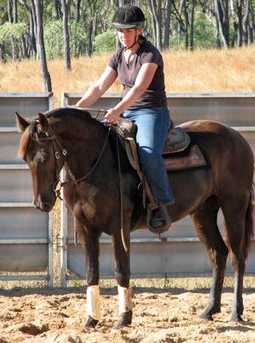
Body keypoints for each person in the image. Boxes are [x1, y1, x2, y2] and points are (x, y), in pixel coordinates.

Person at [75, 5, 174, 232]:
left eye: (127, 31)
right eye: (119, 31)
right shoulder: (118, 55)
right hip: (126, 112)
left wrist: (117, 110)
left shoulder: (151, 54)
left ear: (139, 30)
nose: (122, 36)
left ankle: (160, 203)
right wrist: (77, 110)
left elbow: (139, 89)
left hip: (152, 112)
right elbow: (99, 86)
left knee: (148, 154)